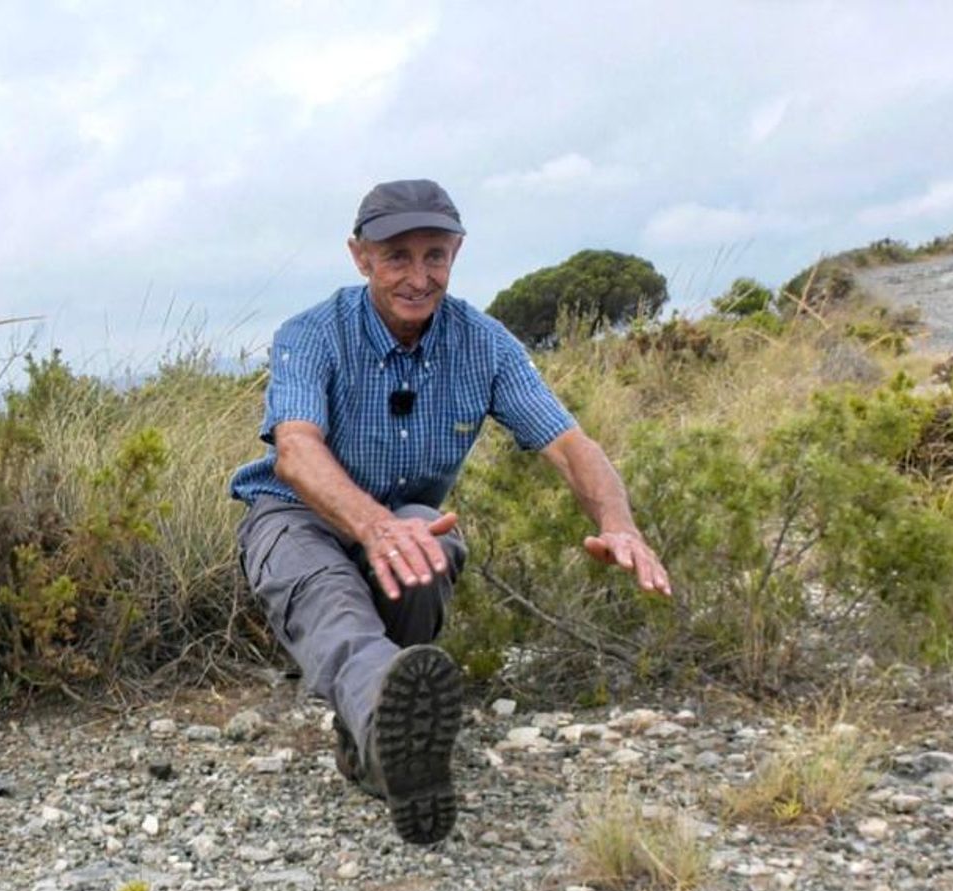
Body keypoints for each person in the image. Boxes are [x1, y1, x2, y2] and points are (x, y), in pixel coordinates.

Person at [228, 179, 673, 845]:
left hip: (404, 516)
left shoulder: (483, 344)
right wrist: (371, 526)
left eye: (434, 255)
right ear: (360, 256)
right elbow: (295, 450)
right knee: (328, 590)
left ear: (457, 252)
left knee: (426, 547)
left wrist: (617, 522)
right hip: (297, 512)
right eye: (397, 256)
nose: (418, 276)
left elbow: (569, 443)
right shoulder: (311, 334)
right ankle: (384, 721)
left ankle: (384, 739)